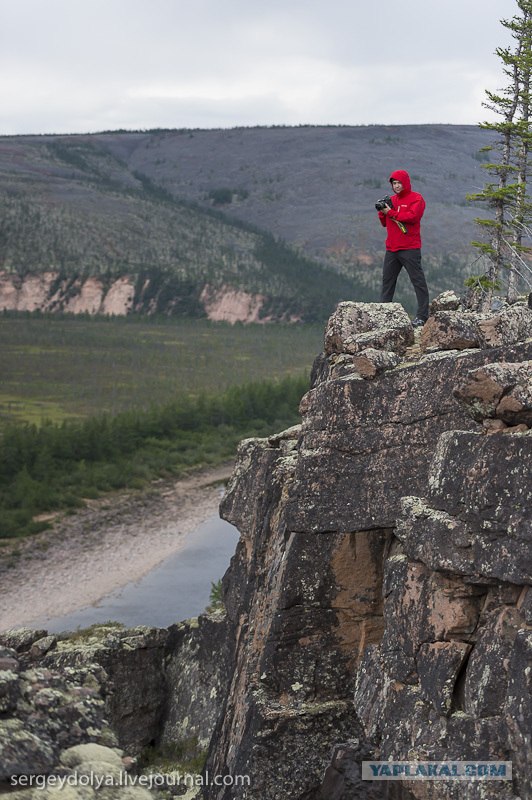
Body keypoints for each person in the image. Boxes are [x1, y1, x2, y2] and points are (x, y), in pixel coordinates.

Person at [377, 168, 429, 326]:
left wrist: (390, 212)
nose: (397, 186)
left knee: (417, 281)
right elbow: (385, 223)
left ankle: (422, 316)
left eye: (399, 182)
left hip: (410, 248)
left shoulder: (416, 199)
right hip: (392, 249)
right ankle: (382, 315)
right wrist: (382, 211)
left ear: (406, 183)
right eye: (394, 183)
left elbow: (412, 217)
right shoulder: (392, 200)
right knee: (388, 282)